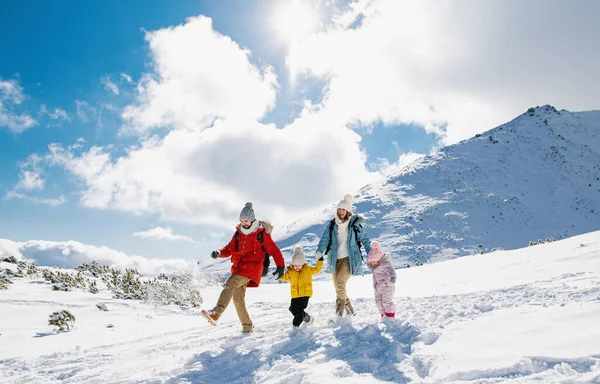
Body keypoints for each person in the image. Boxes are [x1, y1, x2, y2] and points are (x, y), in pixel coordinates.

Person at [201, 202, 285, 333]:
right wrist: (219, 252)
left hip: (252, 268)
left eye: (246, 220)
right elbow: (229, 249)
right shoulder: (238, 233)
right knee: (238, 300)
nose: (244, 223)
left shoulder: (261, 234)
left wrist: (280, 267)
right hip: (239, 268)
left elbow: (274, 250)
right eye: (242, 220)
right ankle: (247, 327)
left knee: (231, 283)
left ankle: (216, 313)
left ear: (252, 220)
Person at [315, 194, 372, 317]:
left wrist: (371, 254)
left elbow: (365, 239)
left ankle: (339, 315)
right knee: (338, 288)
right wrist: (319, 251)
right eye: (339, 209)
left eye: (343, 209)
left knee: (340, 284)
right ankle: (351, 311)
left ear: (348, 211)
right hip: (334, 260)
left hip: (348, 260)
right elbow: (324, 239)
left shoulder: (354, 224)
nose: (341, 212)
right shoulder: (332, 225)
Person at [279, 246, 323, 327]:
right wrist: (279, 274)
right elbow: (284, 277)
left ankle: (296, 327)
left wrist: (320, 261)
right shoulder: (291, 271)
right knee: (292, 309)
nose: (297, 267)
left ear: (303, 264)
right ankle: (308, 318)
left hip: (305, 294)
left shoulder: (308, 269)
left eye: (299, 265)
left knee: (298, 312)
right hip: (295, 295)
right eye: (295, 265)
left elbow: (317, 269)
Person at [367, 241, 396, 318]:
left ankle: (390, 317)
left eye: (374, 261)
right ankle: (383, 317)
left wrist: (393, 277)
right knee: (379, 304)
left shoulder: (385, 264)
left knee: (387, 303)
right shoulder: (374, 266)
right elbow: (369, 265)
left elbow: (391, 270)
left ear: (379, 259)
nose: (373, 263)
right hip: (377, 289)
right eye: (371, 261)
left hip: (387, 286)